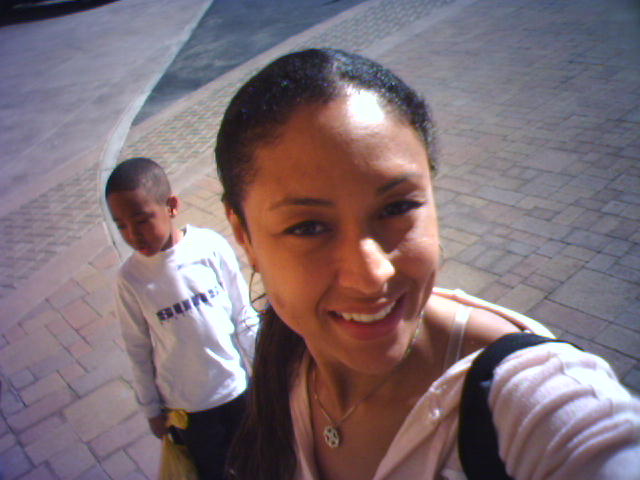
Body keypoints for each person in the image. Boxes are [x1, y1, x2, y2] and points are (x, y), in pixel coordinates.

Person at [214, 49, 640, 480]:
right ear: (243, 235)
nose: (372, 276)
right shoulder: (285, 355)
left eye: (397, 207)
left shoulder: (535, 401)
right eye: (308, 227)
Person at [105, 157, 258, 479]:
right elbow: (138, 349)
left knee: (257, 461)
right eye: (121, 226)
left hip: (236, 388)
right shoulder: (130, 280)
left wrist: (264, 370)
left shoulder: (209, 247)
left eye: (142, 220)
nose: (133, 235)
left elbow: (243, 314)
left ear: (172, 206)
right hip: (189, 410)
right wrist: (150, 408)